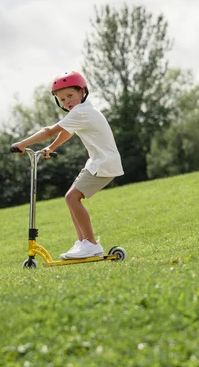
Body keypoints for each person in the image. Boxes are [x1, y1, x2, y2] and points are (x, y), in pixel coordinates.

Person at [11, 71, 124, 259]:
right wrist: (51, 147)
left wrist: (21, 144)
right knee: (70, 198)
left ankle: (91, 244)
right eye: (62, 100)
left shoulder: (82, 112)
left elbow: (48, 131)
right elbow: (67, 132)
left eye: (70, 96)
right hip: (100, 162)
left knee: (72, 198)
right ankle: (83, 243)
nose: (67, 102)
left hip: (103, 163)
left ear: (82, 92)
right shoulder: (82, 112)